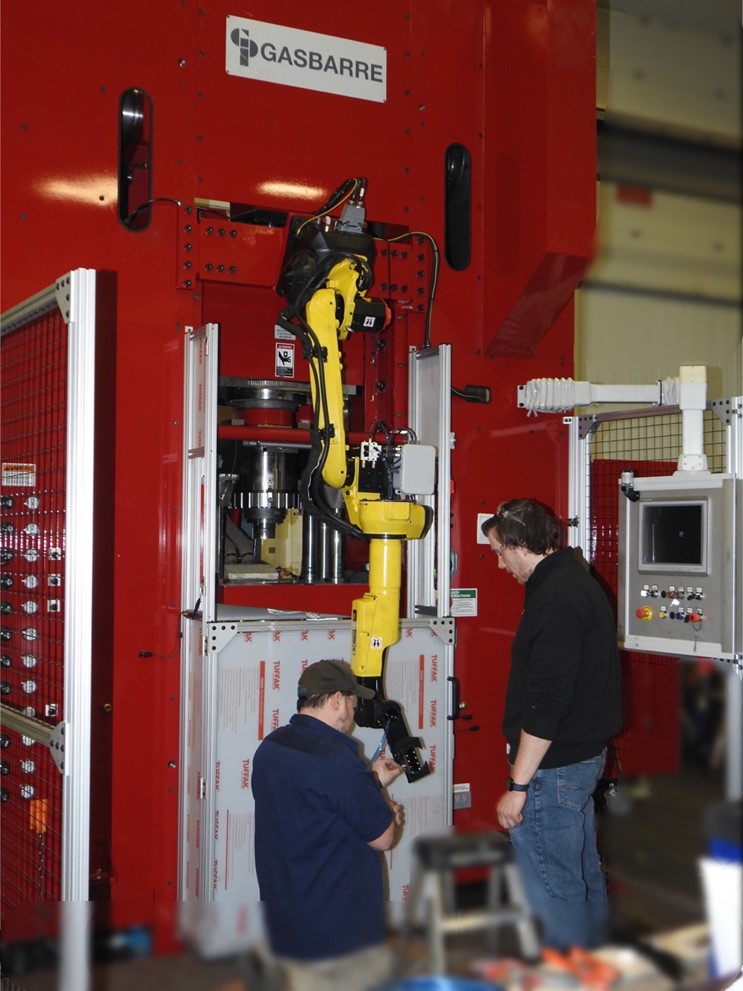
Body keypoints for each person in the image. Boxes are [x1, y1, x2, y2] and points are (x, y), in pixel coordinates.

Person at [481, 499, 622, 951]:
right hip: (579, 760)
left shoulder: (556, 597)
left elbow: (546, 703)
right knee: (579, 874)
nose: (500, 564)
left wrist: (517, 786)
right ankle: (597, 968)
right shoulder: (573, 580)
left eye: (500, 552)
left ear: (522, 544)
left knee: (552, 889)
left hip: (552, 770)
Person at [251, 658, 405, 991]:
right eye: (352, 701)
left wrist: (373, 780)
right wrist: (387, 810)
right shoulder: (338, 760)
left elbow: (317, 807)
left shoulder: (272, 747)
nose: (353, 711)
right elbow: (382, 837)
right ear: (337, 699)